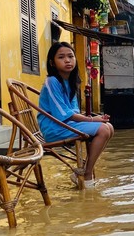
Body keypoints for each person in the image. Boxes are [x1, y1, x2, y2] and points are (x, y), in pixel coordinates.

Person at [38, 41, 114, 187]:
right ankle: (87, 173)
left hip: (66, 124)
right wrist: (92, 120)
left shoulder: (71, 82)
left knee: (108, 127)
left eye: (70, 56)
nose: (67, 60)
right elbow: (63, 114)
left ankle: (86, 169)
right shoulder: (52, 81)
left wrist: (94, 119)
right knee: (103, 129)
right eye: (61, 57)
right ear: (52, 63)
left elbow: (73, 112)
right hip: (54, 127)